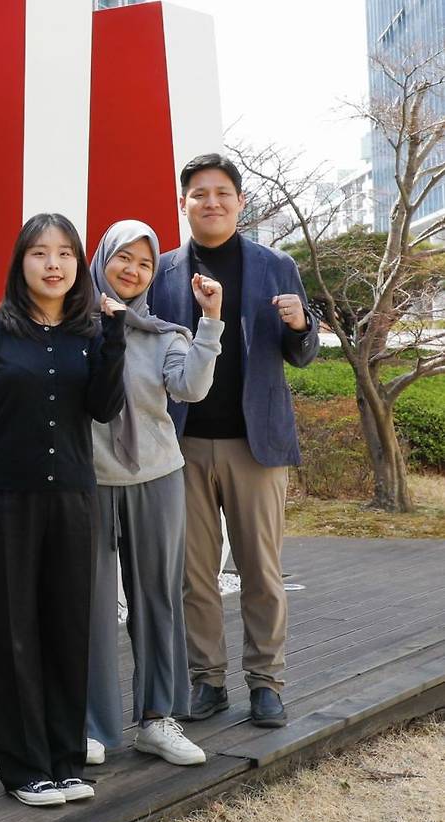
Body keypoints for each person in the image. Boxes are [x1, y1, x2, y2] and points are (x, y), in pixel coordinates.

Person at [0, 213, 126, 807]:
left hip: (72, 501)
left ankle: (65, 761)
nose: (53, 264)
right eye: (40, 253)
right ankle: (25, 769)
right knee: (12, 637)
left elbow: (104, 408)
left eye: (65, 254)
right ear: (20, 263)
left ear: (78, 265)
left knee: (67, 631)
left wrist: (115, 337)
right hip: (4, 506)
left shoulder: (90, 334)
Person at [149, 154, 320, 728]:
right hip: (183, 445)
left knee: (260, 570)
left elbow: (302, 355)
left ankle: (267, 682)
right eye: (199, 193)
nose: (212, 202)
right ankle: (208, 680)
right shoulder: (164, 273)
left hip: (256, 444)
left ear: (240, 202)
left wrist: (301, 324)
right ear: (183, 203)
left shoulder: (275, 266)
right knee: (193, 574)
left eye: (223, 192)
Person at [86, 220, 223, 767]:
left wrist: (209, 321)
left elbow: (191, 387)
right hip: (90, 481)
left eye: (144, 263)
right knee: (91, 604)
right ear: (102, 259)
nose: (133, 270)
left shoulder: (166, 334)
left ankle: (157, 718)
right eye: (123, 257)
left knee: (157, 599)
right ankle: (91, 724)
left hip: (157, 477)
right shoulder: (72, 328)